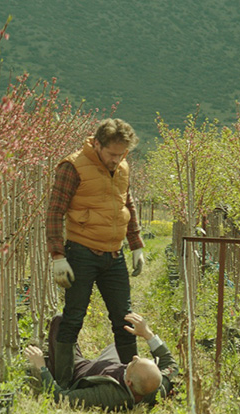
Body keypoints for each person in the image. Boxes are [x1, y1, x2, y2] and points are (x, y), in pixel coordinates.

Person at [46, 118, 144, 389]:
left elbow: (127, 204)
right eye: (112, 154)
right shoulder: (72, 166)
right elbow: (55, 210)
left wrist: (136, 244)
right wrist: (58, 256)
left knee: (124, 318)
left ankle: (131, 379)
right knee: (73, 317)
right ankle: (63, 384)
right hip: (81, 252)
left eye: (122, 154)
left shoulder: (122, 167)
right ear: (98, 144)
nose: (116, 159)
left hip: (114, 254)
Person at [23, 313, 177, 411]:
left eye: (134, 364)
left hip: (82, 370)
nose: (135, 357)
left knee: (60, 321)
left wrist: (41, 367)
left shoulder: (107, 395)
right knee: (122, 341)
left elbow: (61, 399)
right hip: (110, 365)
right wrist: (148, 334)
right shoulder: (155, 387)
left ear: (129, 382)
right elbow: (171, 365)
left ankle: (51, 362)